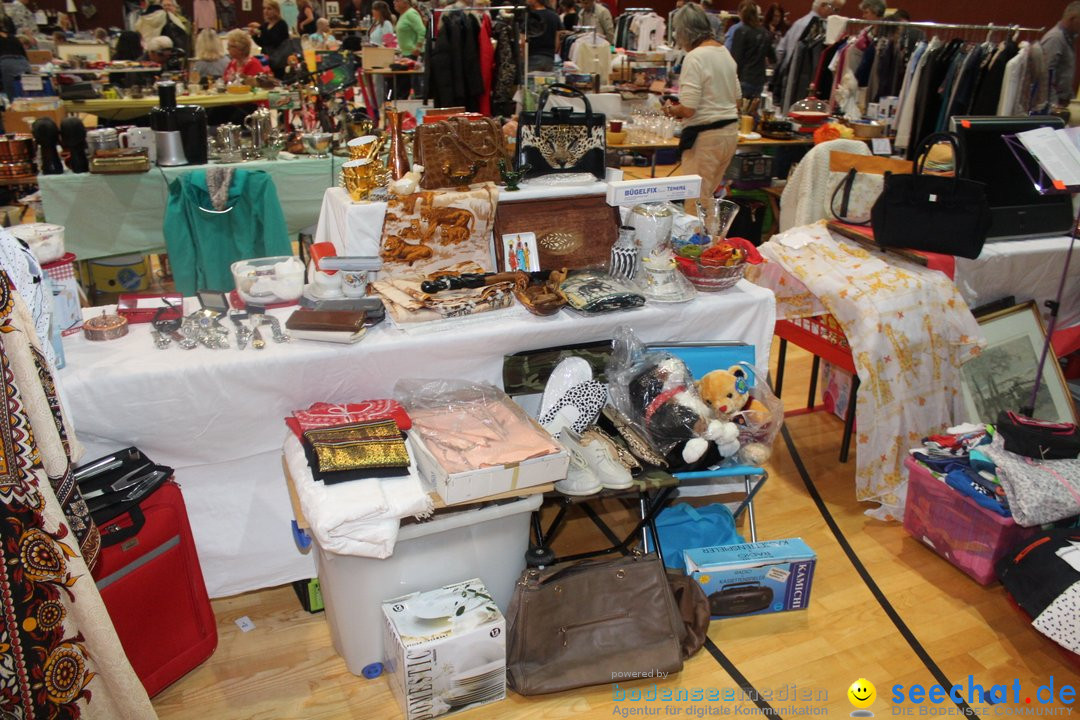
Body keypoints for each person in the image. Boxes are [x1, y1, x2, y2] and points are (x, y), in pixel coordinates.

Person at [662, 3, 739, 226]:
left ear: (684, 31)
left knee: (696, 201)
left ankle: (699, 253)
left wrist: (670, 109)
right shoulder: (724, 53)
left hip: (705, 136)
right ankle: (711, 248)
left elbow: (689, 108)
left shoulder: (695, 57)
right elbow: (738, 97)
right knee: (708, 198)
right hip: (729, 133)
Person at [730, 2, 775, 100]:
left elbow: (735, 58)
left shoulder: (741, 31)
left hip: (743, 78)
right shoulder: (765, 33)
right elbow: (773, 57)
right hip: (759, 80)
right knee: (752, 110)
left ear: (742, 14)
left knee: (741, 110)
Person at [775, 0, 832, 73]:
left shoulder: (798, 23)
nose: (832, 11)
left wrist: (784, 68)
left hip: (788, 73)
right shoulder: (817, 27)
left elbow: (780, 50)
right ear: (823, 6)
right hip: (803, 75)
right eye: (831, 7)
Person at [1042, 1, 1080, 108]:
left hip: (1063, 102)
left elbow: (1065, 75)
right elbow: (1046, 76)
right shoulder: (1055, 39)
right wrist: (1054, 105)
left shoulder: (1069, 39)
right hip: (1053, 106)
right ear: (1073, 18)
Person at [249, 0, 291, 77]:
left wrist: (260, 28)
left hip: (279, 60)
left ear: (276, 10)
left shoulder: (281, 24)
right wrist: (254, 36)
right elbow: (263, 43)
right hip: (266, 59)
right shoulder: (266, 25)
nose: (266, 11)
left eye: (269, 9)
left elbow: (275, 41)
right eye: (264, 8)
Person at [392, 0, 424, 98]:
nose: (394, 3)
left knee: (414, 85)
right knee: (403, 85)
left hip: (413, 54)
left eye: (397, 1)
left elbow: (422, 30)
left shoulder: (411, 14)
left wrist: (418, 47)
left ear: (405, 2)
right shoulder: (403, 15)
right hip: (405, 54)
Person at [0, 6, 29, 100]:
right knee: (26, 93)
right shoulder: (13, 37)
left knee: (12, 98)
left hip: (6, 64)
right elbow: (24, 54)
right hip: (23, 63)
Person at [526, 0, 560, 72]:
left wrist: (523, 58)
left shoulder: (529, 17)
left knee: (531, 82)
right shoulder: (554, 16)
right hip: (549, 58)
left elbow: (523, 40)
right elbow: (557, 40)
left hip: (532, 57)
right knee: (547, 82)